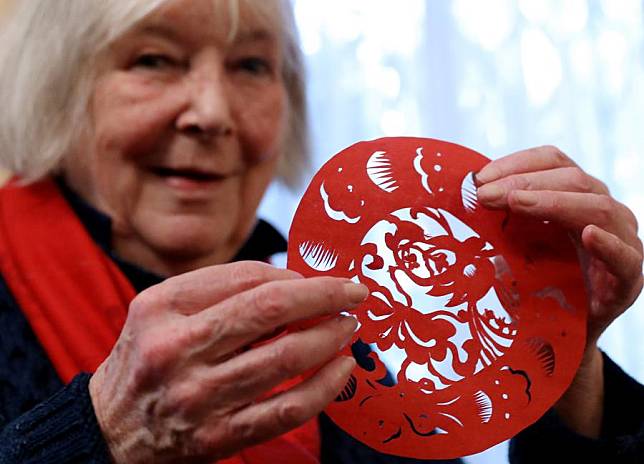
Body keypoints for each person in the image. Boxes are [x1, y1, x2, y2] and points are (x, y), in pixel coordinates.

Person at [0, 1, 641, 463]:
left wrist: (565, 363)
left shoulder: (344, 316)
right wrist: (100, 436)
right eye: (154, 59)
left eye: (251, 66)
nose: (212, 114)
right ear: (60, 90)